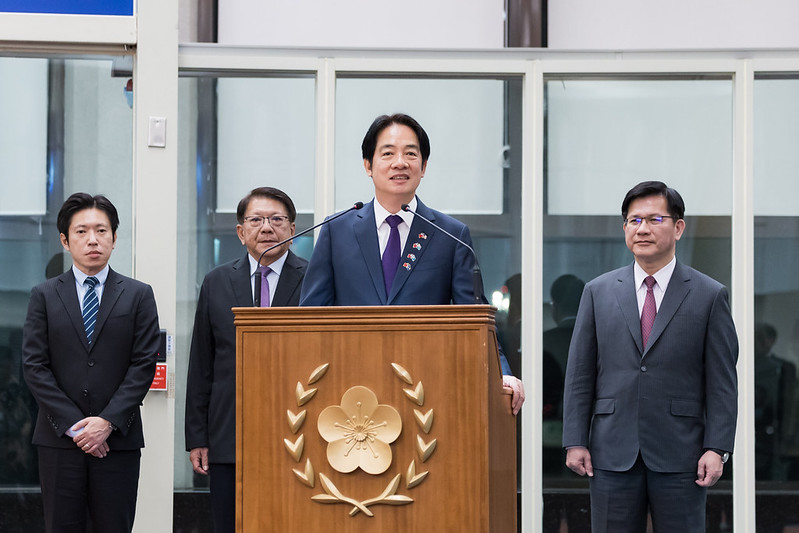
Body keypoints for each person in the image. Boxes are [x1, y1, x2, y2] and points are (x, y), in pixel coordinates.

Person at [299, 113, 524, 414]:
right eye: (388, 153)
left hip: (428, 390)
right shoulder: (336, 230)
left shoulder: (450, 234)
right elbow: (310, 316)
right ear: (368, 165)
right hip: (348, 389)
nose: (400, 163)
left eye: (410, 154)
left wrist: (502, 372)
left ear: (424, 166)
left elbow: (474, 319)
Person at [562, 180, 738, 532]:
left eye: (655, 219)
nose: (642, 229)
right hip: (611, 452)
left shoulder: (709, 294)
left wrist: (716, 447)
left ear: (678, 227)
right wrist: (575, 440)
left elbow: (722, 382)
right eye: (634, 220)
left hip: (682, 455)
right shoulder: (597, 292)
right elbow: (580, 374)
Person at [22, 192, 160, 533]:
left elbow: (144, 364)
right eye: (81, 231)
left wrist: (107, 422)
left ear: (114, 237)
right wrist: (76, 426)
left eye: (101, 230)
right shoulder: (44, 295)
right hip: (59, 439)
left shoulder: (138, 294)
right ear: (65, 241)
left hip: (118, 441)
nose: (93, 240)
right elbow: (35, 366)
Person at [184, 186, 308, 533]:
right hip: (229, 435)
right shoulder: (217, 281)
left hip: (299, 432)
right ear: (240, 232)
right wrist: (197, 437)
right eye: (256, 220)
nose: (266, 228)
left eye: (277, 220)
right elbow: (202, 364)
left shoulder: (315, 278)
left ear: (292, 229)